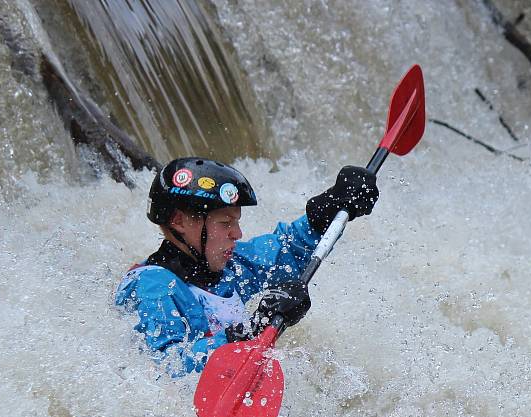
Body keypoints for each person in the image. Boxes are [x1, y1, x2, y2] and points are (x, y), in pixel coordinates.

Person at [115, 157, 379, 376]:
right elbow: (167, 369)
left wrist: (326, 209)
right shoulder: (152, 288)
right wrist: (251, 329)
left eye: (236, 222)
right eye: (225, 223)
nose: (237, 233)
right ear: (179, 221)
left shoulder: (228, 267)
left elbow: (285, 251)